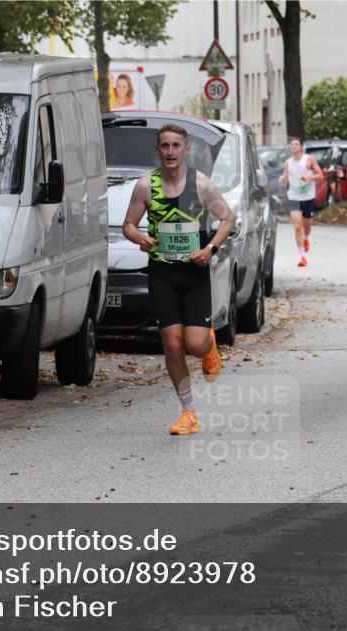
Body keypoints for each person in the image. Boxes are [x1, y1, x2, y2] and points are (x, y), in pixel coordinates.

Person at [122, 124, 236, 436]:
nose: (170, 151)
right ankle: (188, 411)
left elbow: (228, 218)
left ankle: (209, 345)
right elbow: (128, 225)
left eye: (176, 146)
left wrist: (210, 248)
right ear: (158, 151)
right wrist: (140, 238)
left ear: (187, 150)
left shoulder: (201, 185)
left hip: (194, 271)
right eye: (165, 146)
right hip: (162, 273)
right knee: (172, 344)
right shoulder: (146, 187)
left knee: (195, 344)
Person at [278, 137, 322, 267]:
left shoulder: (309, 160)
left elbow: (320, 176)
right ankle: (302, 257)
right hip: (293, 197)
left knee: (306, 227)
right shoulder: (288, 162)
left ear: (301, 147)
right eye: (291, 144)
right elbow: (285, 177)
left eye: (296, 144)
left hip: (308, 197)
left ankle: (306, 238)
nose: (293, 146)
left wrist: (309, 177)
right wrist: (282, 179)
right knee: (297, 227)